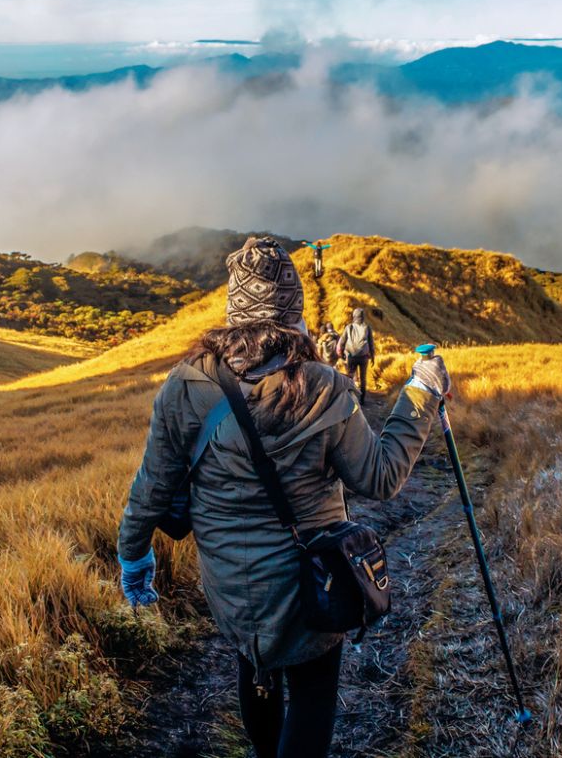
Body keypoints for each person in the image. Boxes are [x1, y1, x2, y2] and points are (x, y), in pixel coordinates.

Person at [116, 237, 451, 758]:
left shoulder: (185, 385)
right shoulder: (324, 385)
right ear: (293, 314)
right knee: (313, 695)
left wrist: (133, 556)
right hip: (311, 582)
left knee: (255, 668)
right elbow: (380, 479)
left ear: (234, 311)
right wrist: (421, 394)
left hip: (229, 586)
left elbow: (152, 487)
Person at [337, 307, 375, 402]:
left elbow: (341, 342)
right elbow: (371, 344)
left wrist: (341, 354)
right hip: (363, 357)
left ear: (354, 316)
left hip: (351, 356)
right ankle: (362, 399)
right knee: (363, 378)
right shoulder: (367, 327)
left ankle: (350, 399)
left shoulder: (349, 327)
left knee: (350, 377)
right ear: (363, 317)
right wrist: (373, 357)